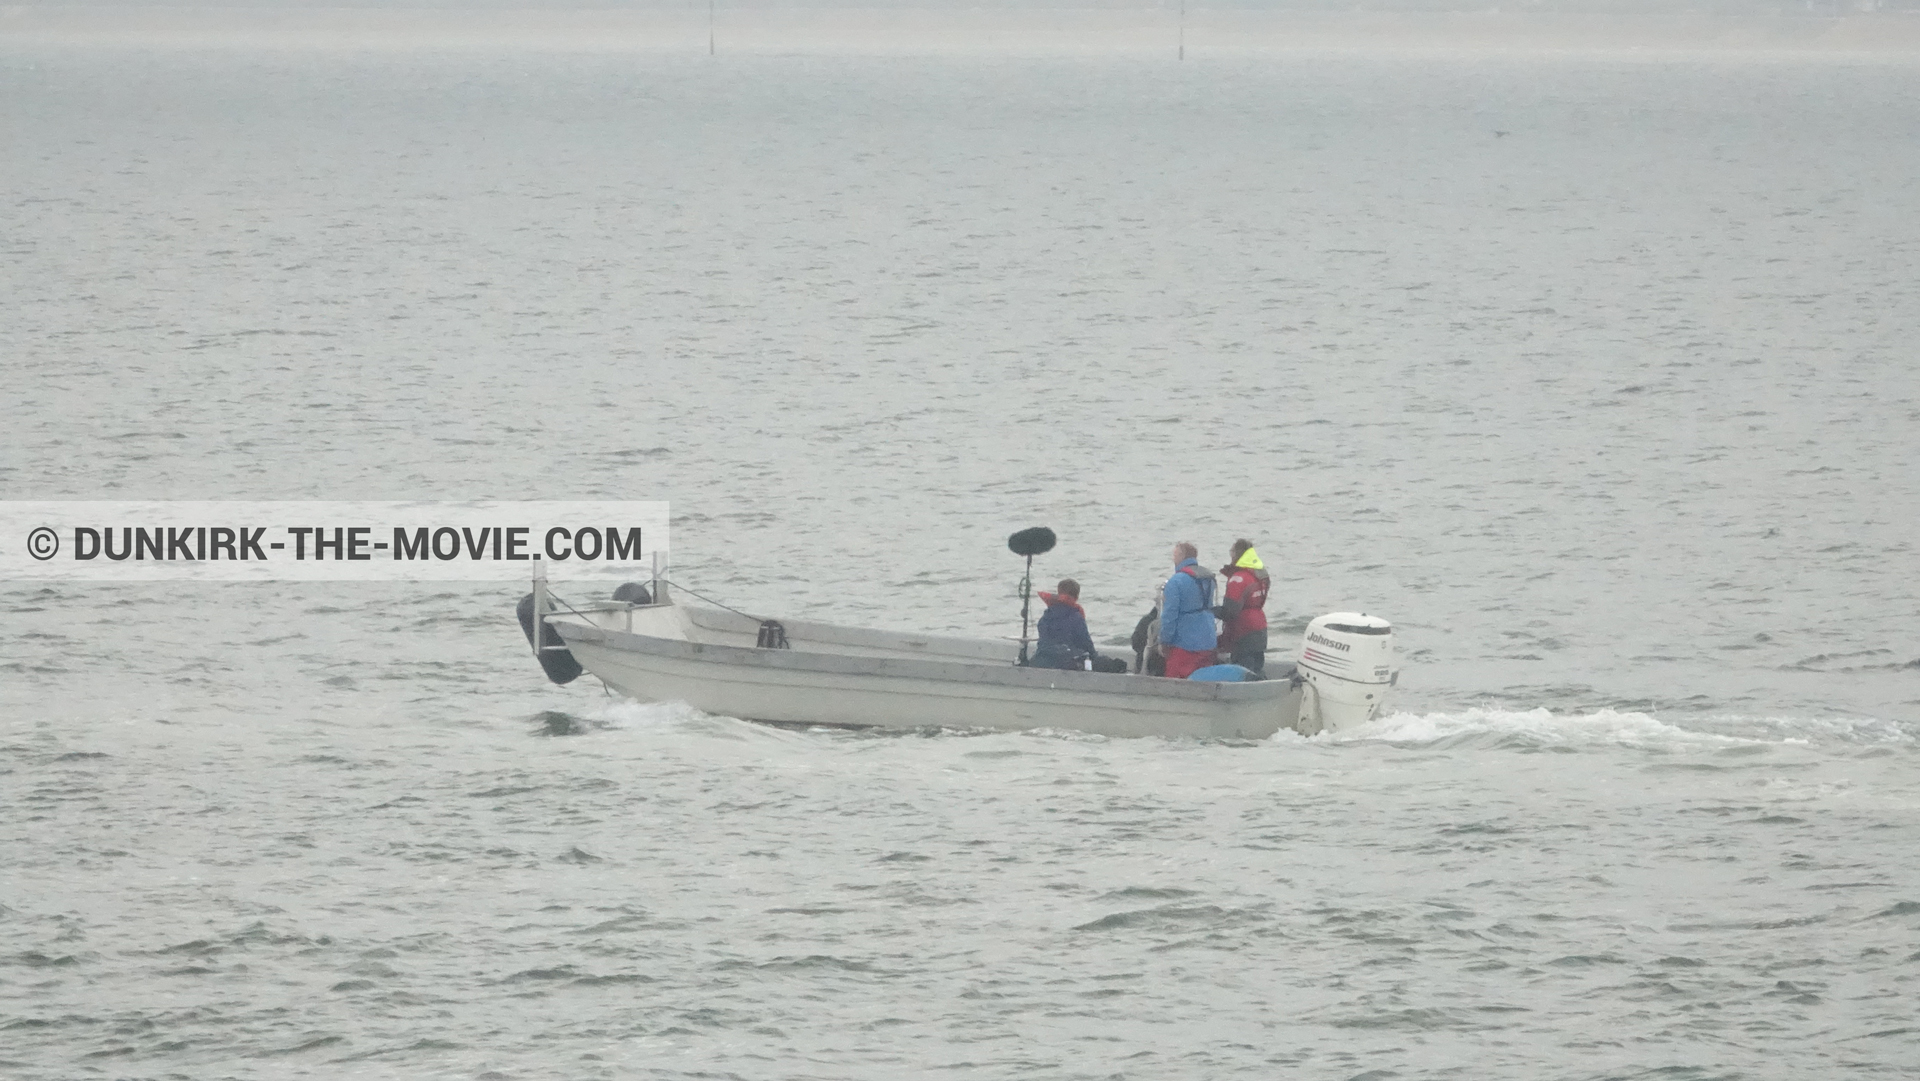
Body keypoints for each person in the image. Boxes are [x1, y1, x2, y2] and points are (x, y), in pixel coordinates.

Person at [1158, 542, 1218, 679]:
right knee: (1204, 679)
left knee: (1175, 679)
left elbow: (1169, 616)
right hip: (1208, 639)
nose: (1173, 559)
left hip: (1185, 644)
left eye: (1174, 555)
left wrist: (1164, 641)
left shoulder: (1175, 582)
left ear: (1181, 556)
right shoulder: (1208, 578)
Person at [1214, 538, 1271, 675]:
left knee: (1243, 670)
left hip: (1244, 631)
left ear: (1236, 554)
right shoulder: (1260, 575)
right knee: (1256, 667)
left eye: (1231, 551)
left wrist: (1210, 611)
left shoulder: (1239, 578)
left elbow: (1230, 612)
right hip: (1260, 629)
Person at [1031, 578, 1098, 670]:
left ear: (1058, 593)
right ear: (1076, 597)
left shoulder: (1046, 617)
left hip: (1043, 660)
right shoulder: (1076, 617)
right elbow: (1086, 643)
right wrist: (1095, 657)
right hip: (1067, 662)